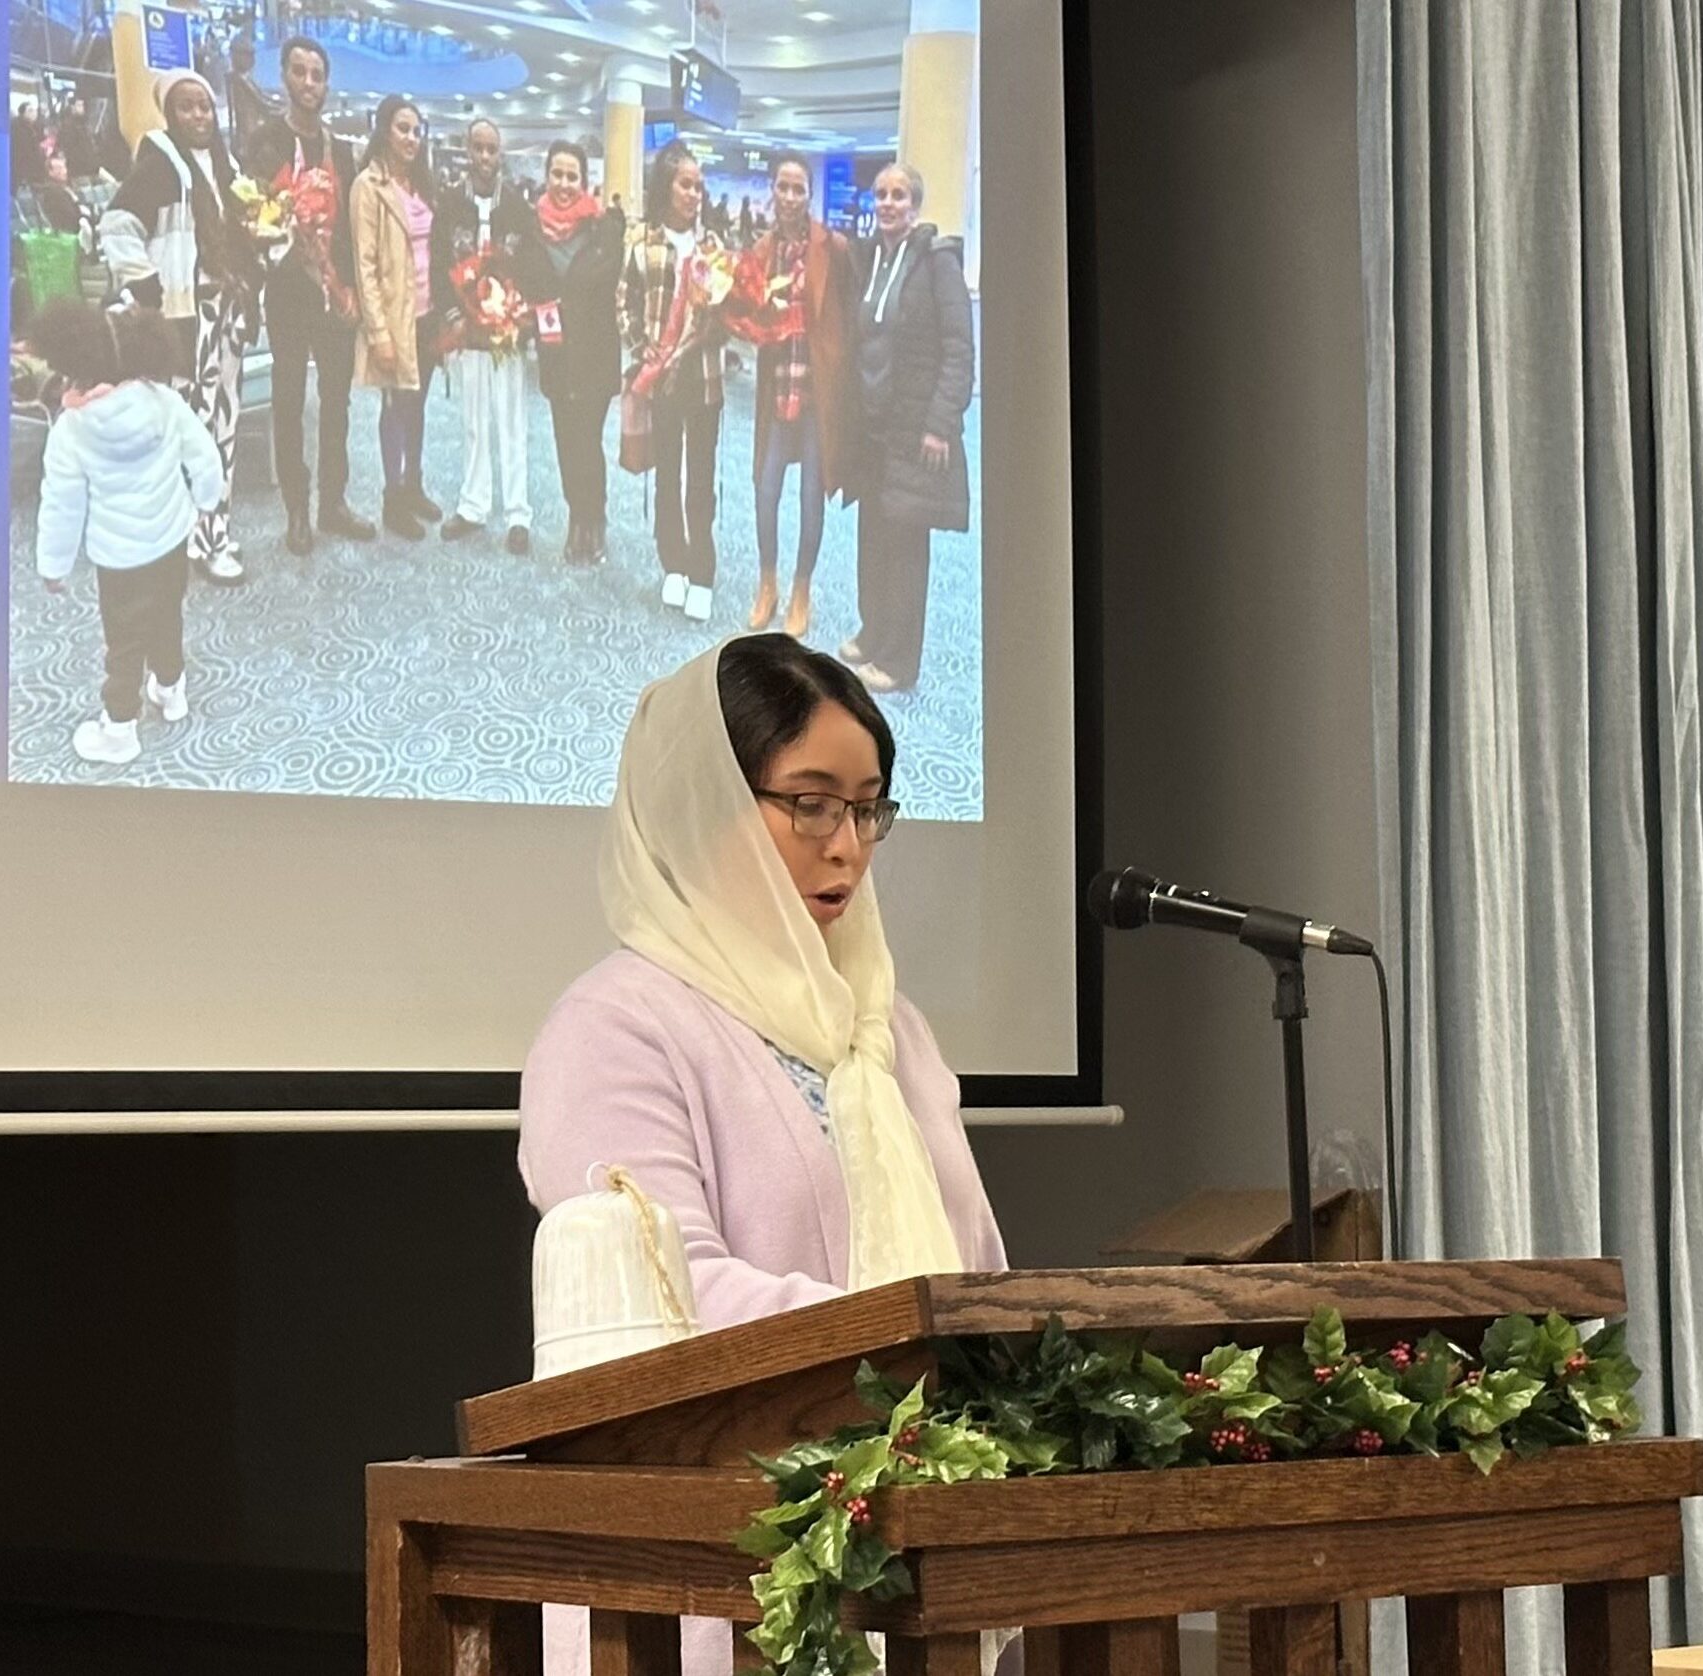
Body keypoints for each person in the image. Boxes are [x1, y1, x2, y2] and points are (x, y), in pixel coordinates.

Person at [521, 634, 1006, 1676]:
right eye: (810, 801)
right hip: (710, 1583)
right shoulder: (616, 1025)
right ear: (707, 808)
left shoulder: (887, 1027)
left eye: (868, 804)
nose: (848, 845)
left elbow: (977, 1268)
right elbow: (663, 1301)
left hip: (924, 1560)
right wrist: (915, 1356)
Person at [29, 300, 223, 766]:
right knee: (166, 615)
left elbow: (62, 505)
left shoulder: (71, 431)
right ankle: (171, 690)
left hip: (119, 556)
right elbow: (205, 456)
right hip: (171, 536)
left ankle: (119, 729)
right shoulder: (164, 401)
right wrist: (206, 503)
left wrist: (53, 566)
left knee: (123, 639)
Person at [100, 69, 262, 587]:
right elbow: (117, 223)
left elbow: (245, 232)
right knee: (188, 433)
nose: (199, 117)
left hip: (225, 317)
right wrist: (145, 284)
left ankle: (211, 530)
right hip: (185, 321)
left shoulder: (226, 165)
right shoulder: (158, 166)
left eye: (206, 107)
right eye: (188, 107)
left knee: (224, 426)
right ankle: (194, 538)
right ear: (171, 114)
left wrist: (267, 244)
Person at [842, 162, 974, 693]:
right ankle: (874, 634)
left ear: (915, 205)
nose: (889, 204)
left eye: (899, 195)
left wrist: (940, 423)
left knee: (905, 547)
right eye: (881, 195)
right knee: (872, 537)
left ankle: (899, 662)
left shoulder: (937, 264)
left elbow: (960, 350)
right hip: (874, 430)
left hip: (917, 430)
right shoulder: (872, 259)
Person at [246, 34, 376, 556]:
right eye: (299, 72)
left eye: (317, 75)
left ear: (326, 84)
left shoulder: (340, 149)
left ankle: (333, 502)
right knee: (290, 399)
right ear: (284, 77)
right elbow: (252, 214)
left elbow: (350, 229)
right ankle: (297, 509)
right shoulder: (265, 141)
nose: (308, 83)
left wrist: (352, 291)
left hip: (334, 292)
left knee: (337, 400)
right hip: (286, 293)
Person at [727, 151, 852, 639]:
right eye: (783, 186)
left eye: (800, 188)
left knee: (809, 496)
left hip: (817, 389)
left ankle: (802, 588)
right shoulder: (760, 250)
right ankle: (768, 583)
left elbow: (845, 313)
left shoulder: (831, 246)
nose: (791, 196)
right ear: (773, 191)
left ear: (810, 195)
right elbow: (742, 307)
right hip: (778, 388)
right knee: (766, 488)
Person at [617, 143, 726, 621]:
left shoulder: (714, 249)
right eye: (686, 184)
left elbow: (729, 313)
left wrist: (714, 322)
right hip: (662, 379)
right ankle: (673, 565)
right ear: (666, 187)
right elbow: (624, 305)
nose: (694, 194)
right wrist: (644, 348)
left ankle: (702, 570)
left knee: (700, 480)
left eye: (699, 186)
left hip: (703, 380)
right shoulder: (643, 247)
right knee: (667, 475)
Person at [519, 138, 623, 566]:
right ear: (547, 177)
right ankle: (574, 515)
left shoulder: (603, 230)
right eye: (557, 175)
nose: (564, 183)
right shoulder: (531, 230)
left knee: (587, 440)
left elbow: (606, 280)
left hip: (595, 355)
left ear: (585, 182)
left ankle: (592, 517)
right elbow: (527, 282)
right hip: (557, 355)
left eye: (572, 176)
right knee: (565, 441)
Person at [436, 119, 534, 555]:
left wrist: (518, 315)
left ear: (501, 155)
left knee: (511, 423)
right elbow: (439, 263)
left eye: (492, 150)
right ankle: (473, 505)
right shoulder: (449, 203)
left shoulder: (517, 206)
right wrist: (455, 315)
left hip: (506, 332)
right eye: (477, 148)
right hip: (467, 333)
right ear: (466, 151)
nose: (484, 158)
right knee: (474, 423)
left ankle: (517, 513)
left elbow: (531, 266)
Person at [351, 96, 441, 542]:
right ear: (385, 130)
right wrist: (378, 333)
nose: (411, 138)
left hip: (426, 317)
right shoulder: (368, 186)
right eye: (403, 128)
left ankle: (414, 485)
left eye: (417, 130)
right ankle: (393, 499)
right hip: (393, 318)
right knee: (395, 409)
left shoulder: (422, 184)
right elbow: (364, 265)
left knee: (417, 404)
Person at [38, 152, 86, 237]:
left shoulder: (64, 188)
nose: (64, 171)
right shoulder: (53, 192)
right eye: (59, 168)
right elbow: (69, 217)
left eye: (64, 167)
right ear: (50, 172)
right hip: (70, 233)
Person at [56, 97, 99, 184]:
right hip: (79, 168)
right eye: (79, 105)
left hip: (87, 166)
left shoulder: (82, 123)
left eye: (82, 105)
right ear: (72, 107)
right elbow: (70, 148)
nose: (82, 108)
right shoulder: (68, 126)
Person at [11, 101, 46, 189]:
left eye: (34, 110)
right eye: (30, 111)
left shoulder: (32, 126)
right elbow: (25, 151)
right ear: (22, 113)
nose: (34, 113)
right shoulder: (18, 128)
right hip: (23, 171)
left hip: (33, 169)